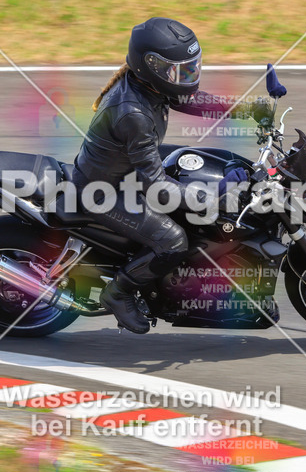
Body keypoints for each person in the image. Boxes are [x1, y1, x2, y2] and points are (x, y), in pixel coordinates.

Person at [69, 17, 267, 334]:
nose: (188, 77)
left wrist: (247, 109)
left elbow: (192, 100)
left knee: (195, 162)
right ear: (152, 67)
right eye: (180, 71)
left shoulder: (149, 84)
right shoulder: (133, 113)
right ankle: (118, 293)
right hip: (103, 191)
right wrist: (212, 200)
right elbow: (158, 188)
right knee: (173, 240)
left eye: (191, 68)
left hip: (128, 168)